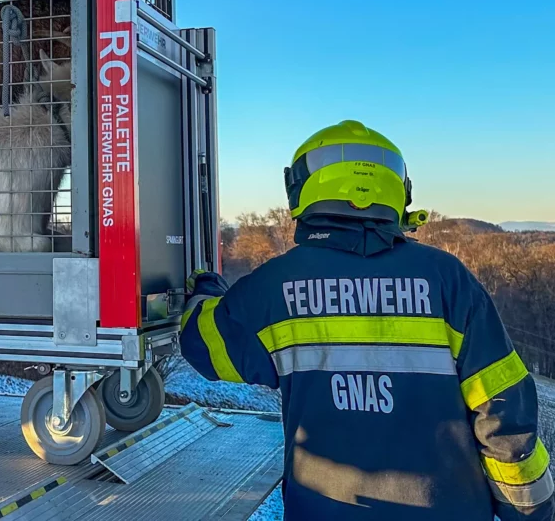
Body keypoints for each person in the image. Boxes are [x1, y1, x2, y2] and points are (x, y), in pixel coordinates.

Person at [180, 120, 554, 520]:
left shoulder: (275, 284)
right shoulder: (447, 277)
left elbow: (205, 348)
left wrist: (205, 290)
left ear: (301, 187)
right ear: (398, 190)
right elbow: (504, 410)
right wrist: (530, 511)